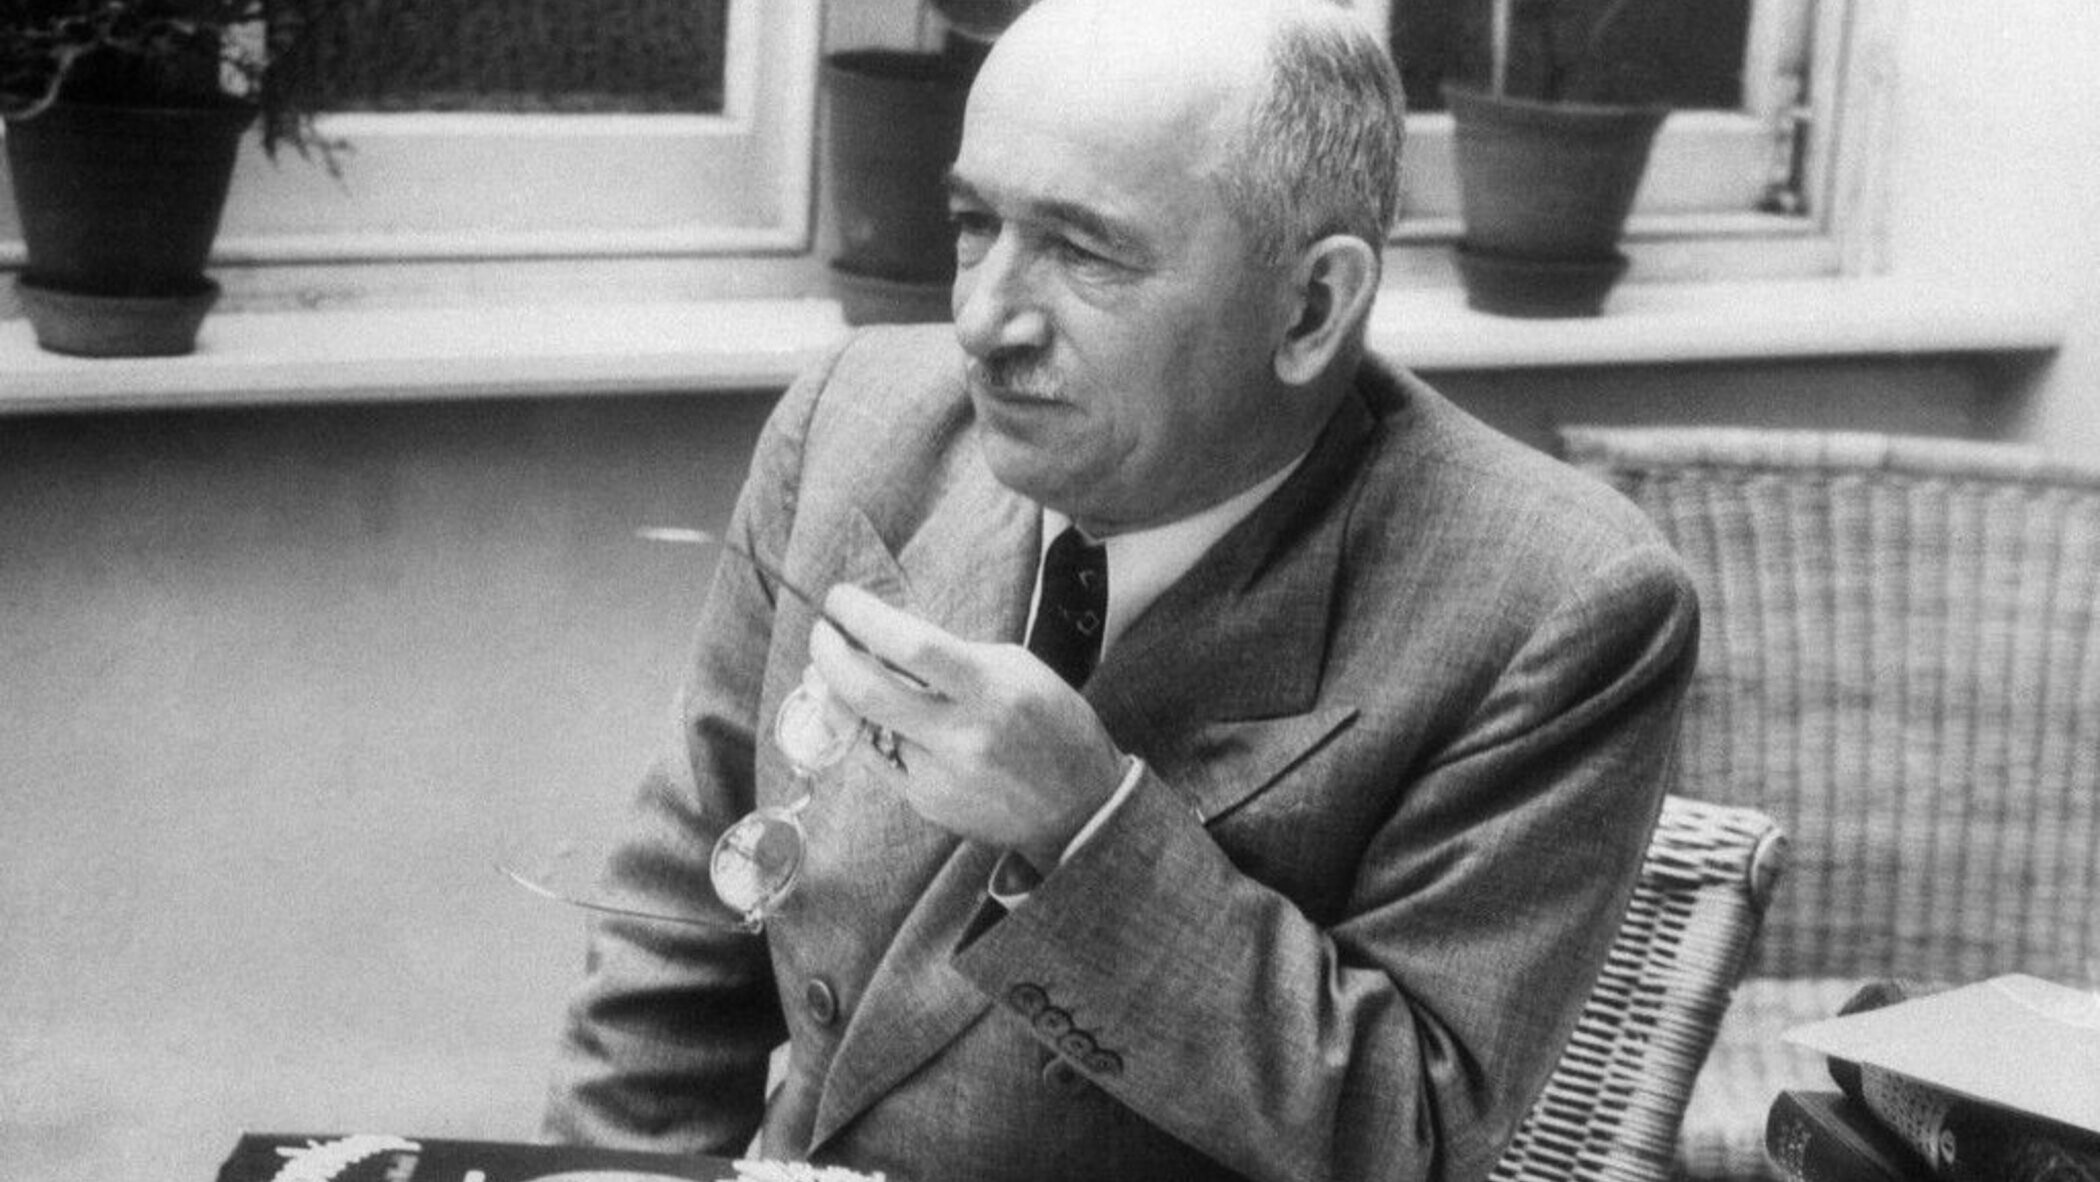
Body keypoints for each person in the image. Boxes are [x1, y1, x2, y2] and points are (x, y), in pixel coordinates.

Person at [544, 1, 1699, 1180]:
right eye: (973, 224)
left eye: (1084, 251)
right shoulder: (854, 423)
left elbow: (1408, 1142)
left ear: (1310, 308)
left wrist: (1086, 827)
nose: (981, 320)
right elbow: (675, 947)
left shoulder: (1556, 604)